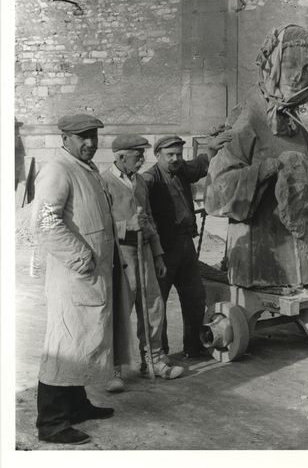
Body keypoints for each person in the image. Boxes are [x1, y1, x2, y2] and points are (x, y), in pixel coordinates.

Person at [205, 24, 308, 289]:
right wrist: (264, 171)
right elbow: (219, 188)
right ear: (271, 66)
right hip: (258, 248)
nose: (297, 77)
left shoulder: (296, 123)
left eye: (307, 70)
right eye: (289, 66)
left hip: (296, 248)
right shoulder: (248, 117)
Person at [32, 114, 118, 444]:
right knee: (64, 346)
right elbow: (44, 223)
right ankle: (51, 423)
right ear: (65, 138)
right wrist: (81, 258)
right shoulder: (57, 170)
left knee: (81, 342)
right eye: (82, 137)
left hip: (89, 277)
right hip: (73, 277)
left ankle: (77, 406)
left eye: (93, 135)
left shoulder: (87, 169)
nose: (91, 142)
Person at [101, 134, 185, 390]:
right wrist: (127, 226)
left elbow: (149, 220)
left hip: (145, 253)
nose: (142, 160)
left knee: (153, 307)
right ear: (121, 156)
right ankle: (112, 369)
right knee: (120, 312)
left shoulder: (140, 182)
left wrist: (158, 254)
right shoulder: (103, 183)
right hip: (121, 255)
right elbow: (100, 226)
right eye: (138, 156)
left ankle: (154, 360)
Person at [143, 132, 230, 359]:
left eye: (178, 154)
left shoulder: (180, 170)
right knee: (158, 302)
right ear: (158, 155)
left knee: (195, 296)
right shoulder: (150, 180)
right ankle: (159, 354)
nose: (175, 159)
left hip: (185, 244)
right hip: (163, 248)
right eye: (170, 154)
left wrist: (211, 150)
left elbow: (198, 167)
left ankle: (194, 346)